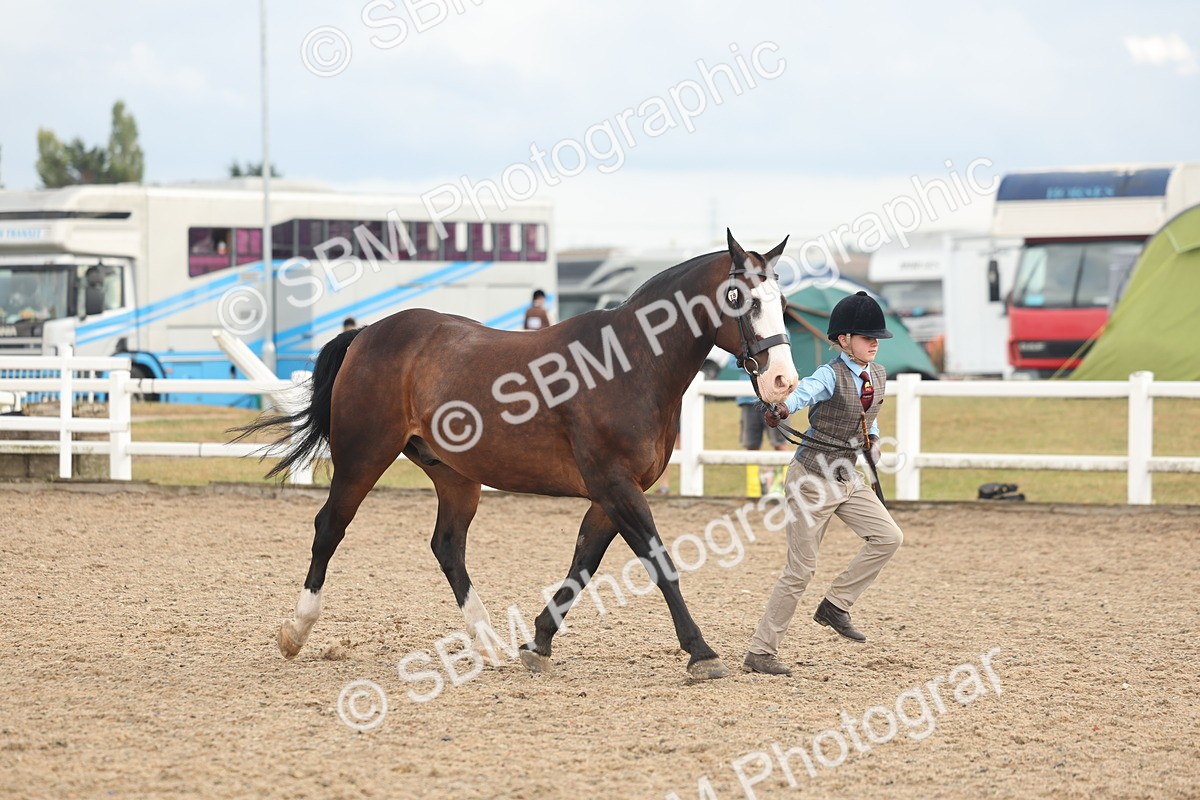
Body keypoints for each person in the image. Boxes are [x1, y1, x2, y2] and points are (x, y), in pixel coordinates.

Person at [743, 291, 903, 677]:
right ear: (844, 340)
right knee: (800, 570)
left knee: (888, 537)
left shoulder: (877, 375)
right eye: (867, 337)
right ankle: (761, 651)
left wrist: (873, 440)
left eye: (877, 337)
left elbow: (868, 416)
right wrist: (783, 408)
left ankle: (835, 605)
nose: (875, 343)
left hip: (848, 476)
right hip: (812, 480)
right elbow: (806, 392)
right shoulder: (830, 374)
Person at [737, 371, 790, 494]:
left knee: (780, 443)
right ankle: (753, 491)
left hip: (775, 397)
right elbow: (733, 363)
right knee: (751, 445)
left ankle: (784, 488)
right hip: (748, 399)